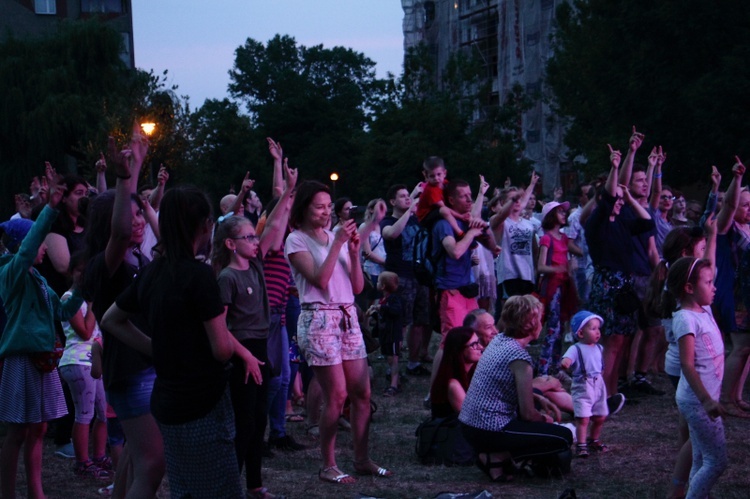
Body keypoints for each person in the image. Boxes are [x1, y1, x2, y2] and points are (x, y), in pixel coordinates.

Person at [101, 186, 247, 499]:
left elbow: (111, 320)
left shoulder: (151, 273)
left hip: (167, 399)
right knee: (217, 487)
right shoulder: (199, 276)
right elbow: (221, 349)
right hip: (203, 402)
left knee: (183, 486)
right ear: (206, 225)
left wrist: (154, 348)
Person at [285, 180, 392, 484]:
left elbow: (357, 287)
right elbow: (320, 280)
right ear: (304, 208)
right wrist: (337, 244)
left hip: (347, 316)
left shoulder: (336, 237)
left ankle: (362, 459)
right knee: (337, 394)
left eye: (327, 206)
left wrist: (355, 251)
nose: (325, 212)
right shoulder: (296, 241)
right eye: (318, 207)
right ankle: (328, 464)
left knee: (362, 391)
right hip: (319, 319)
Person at [83, 127, 165, 498]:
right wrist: (121, 178)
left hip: (143, 366)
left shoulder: (137, 255)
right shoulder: (107, 263)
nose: (137, 221)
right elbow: (117, 232)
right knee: (153, 463)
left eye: (138, 215)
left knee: (134, 455)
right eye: (130, 216)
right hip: (130, 370)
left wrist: (136, 165)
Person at [212, 160, 297, 498]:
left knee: (258, 419)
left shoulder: (256, 264)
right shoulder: (227, 277)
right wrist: (244, 355)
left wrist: (289, 190)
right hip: (240, 350)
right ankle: (230, 487)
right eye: (248, 237)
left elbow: (274, 222)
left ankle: (255, 486)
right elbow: (220, 325)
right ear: (231, 244)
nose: (255, 239)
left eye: (253, 235)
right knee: (244, 423)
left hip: (260, 347)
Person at [0, 172, 84, 499]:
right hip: (22, 359)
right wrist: (49, 210)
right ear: (27, 243)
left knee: (39, 428)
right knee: (18, 432)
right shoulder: (11, 272)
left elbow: (62, 313)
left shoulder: (37, 278)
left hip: (43, 361)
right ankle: (7, 493)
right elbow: (28, 250)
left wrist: (81, 287)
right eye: (40, 243)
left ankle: (37, 492)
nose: (45, 250)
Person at [459, 295, 573, 482]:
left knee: (543, 426)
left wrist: (539, 397)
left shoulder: (499, 340)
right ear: (531, 324)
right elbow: (528, 414)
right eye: (540, 319)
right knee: (564, 437)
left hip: (468, 425)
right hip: (489, 429)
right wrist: (546, 420)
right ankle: (497, 456)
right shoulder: (519, 358)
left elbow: (501, 387)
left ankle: (496, 459)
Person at [584, 141, 655, 407]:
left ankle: (611, 394)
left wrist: (630, 197)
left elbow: (647, 221)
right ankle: (599, 397)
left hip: (623, 284)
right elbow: (609, 198)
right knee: (611, 343)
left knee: (622, 341)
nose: (618, 203)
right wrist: (615, 169)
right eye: (614, 200)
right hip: (607, 284)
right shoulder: (596, 224)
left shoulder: (624, 221)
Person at [664, 256, 727, 499]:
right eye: (708, 283)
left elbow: (709, 258)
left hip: (700, 401)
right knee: (717, 462)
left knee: (701, 457)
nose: (714, 287)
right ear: (689, 288)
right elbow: (687, 365)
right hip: (698, 402)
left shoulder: (704, 310)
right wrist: (707, 400)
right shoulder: (685, 319)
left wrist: (712, 235)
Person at [58, 253, 111, 479]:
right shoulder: (68, 298)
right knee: (84, 414)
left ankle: (99, 456)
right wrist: (90, 306)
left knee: (103, 413)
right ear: (71, 272)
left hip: (93, 361)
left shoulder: (92, 297)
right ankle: (82, 462)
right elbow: (85, 332)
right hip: (77, 360)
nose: (84, 276)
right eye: (79, 271)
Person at [380, 184, 432, 376]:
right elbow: (391, 233)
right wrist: (411, 207)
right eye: (402, 196)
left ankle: (413, 362)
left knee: (419, 321)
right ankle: (392, 366)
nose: (407, 199)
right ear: (392, 202)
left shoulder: (416, 219)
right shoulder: (388, 221)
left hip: (419, 275)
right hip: (400, 276)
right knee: (399, 323)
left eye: (407, 195)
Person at [536, 200, 581, 375]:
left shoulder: (563, 238)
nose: (564, 214)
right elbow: (540, 267)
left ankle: (554, 367)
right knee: (553, 329)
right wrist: (561, 268)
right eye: (560, 212)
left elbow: (577, 251)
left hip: (564, 286)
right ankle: (544, 369)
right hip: (552, 287)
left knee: (560, 329)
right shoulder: (546, 239)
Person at [559, 311, 610, 458]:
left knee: (600, 416)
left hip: (598, 385)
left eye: (598, 328)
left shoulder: (599, 348)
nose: (597, 332)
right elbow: (567, 359)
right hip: (583, 385)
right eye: (593, 328)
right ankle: (581, 445)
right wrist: (565, 363)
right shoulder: (576, 348)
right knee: (583, 417)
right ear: (580, 333)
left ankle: (593, 439)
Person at [490, 172, 540, 314]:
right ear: (504, 203)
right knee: (509, 313)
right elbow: (501, 215)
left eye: (518, 199)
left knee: (525, 312)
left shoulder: (528, 224)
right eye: (513, 200)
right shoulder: (500, 221)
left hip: (527, 274)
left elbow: (534, 249)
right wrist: (513, 199)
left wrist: (532, 185)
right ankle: (501, 336)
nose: (517, 202)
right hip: (509, 274)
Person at [366, 271, 404, 396]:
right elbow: (384, 316)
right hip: (386, 334)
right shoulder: (384, 299)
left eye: (378, 282)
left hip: (393, 334)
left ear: (383, 286)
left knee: (393, 359)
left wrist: (380, 308)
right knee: (389, 358)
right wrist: (374, 315)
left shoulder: (394, 299)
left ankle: (394, 385)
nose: (376, 283)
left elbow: (396, 311)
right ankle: (396, 380)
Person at [415, 156, 466, 236]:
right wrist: (460, 216)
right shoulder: (431, 190)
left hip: (436, 211)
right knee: (444, 210)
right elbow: (443, 208)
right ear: (426, 176)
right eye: (432, 176)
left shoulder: (445, 183)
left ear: (444, 173)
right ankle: (459, 232)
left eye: (439, 174)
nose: (436, 178)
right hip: (425, 217)